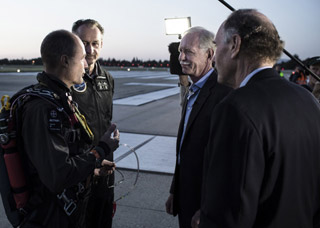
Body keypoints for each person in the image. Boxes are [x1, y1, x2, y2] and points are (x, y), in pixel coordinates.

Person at [199, 9, 320, 228]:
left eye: (217, 46)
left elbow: (229, 215)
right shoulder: (308, 100)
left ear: (235, 45)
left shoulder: (235, 109)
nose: (214, 56)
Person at [17, 30, 119, 227]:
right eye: (81, 58)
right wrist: (101, 150)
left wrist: (93, 170)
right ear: (65, 61)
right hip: (49, 218)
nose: (86, 64)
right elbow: (58, 175)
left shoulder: (60, 100)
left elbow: (59, 162)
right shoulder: (44, 108)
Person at [165, 26, 232, 228]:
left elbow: (227, 162)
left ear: (210, 54)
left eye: (189, 52)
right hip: (186, 196)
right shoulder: (193, 90)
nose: (182, 57)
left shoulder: (224, 94)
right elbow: (184, 149)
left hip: (205, 205)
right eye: (180, 51)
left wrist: (208, 208)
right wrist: (174, 191)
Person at [71, 19, 116, 228]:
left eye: (95, 43)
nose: (90, 49)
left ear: (101, 45)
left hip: (105, 172)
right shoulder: (66, 80)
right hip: (77, 176)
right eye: (83, 42)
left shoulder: (107, 79)